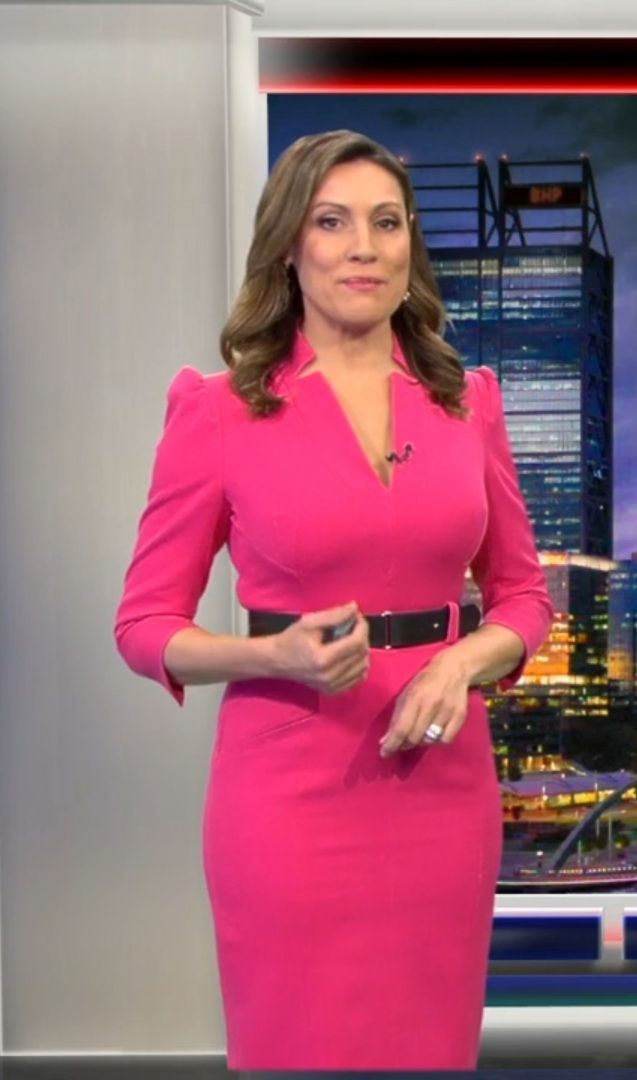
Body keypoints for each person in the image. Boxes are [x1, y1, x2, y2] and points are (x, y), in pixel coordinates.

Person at [113, 129, 554, 1070]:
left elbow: (522, 595)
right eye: (332, 222)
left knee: (428, 1048)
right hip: (290, 789)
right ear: (289, 245)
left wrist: (463, 661)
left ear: (409, 246)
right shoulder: (218, 409)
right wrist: (269, 656)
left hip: (443, 783)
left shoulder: (466, 401)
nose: (364, 247)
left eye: (386, 223)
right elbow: (145, 626)